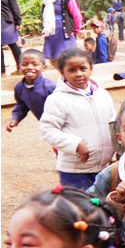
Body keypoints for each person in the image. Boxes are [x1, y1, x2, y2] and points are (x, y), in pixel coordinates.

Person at [39, 48, 115, 189]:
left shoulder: (102, 94)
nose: (78, 74)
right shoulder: (58, 99)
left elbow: (113, 122)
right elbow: (47, 129)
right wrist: (75, 144)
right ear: (62, 73)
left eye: (83, 68)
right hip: (75, 170)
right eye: (72, 70)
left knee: (101, 206)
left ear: (91, 69)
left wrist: (117, 146)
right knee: (79, 207)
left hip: (103, 166)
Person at [7, 50, 56, 134]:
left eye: (35, 64)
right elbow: (21, 105)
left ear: (44, 67)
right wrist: (15, 119)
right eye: (24, 64)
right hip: (46, 126)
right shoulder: (19, 87)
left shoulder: (51, 87)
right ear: (19, 67)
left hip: (63, 123)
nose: (29, 67)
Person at [40, 0, 81, 67]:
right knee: (54, 59)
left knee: (68, 58)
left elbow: (76, 15)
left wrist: (76, 30)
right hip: (52, 33)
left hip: (64, 32)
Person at [1, 0, 22, 74]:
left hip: (4, 18)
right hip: (7, 19)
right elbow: (12, 3)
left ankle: (1, 71)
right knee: (13, 43)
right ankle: (21, 67)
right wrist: (18, 19)